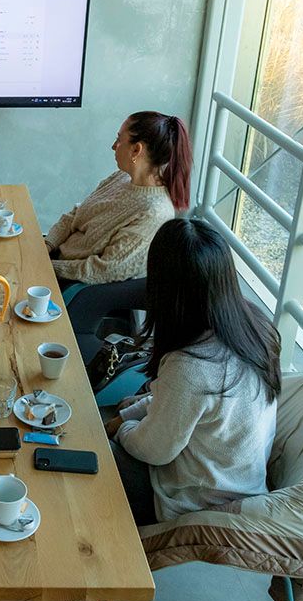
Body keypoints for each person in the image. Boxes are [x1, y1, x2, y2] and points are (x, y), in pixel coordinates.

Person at [104, 218, 281, 525]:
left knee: (88, 449)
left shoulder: (192, 366)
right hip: (240, 482)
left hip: (194, 500)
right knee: (112, 419)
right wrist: (129, 414)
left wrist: (120, 429)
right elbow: (182, 405)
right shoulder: (253, 325)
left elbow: (155, 450)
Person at [45, 111, 192, 300]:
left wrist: (47, 266)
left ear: (136, 150)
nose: (113, 146)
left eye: (119, 140)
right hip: (54, 261)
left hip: (70, 284)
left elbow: (104, 270)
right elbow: (76, 214)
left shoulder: (154, 213)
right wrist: (47, 245)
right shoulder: (120, 178)